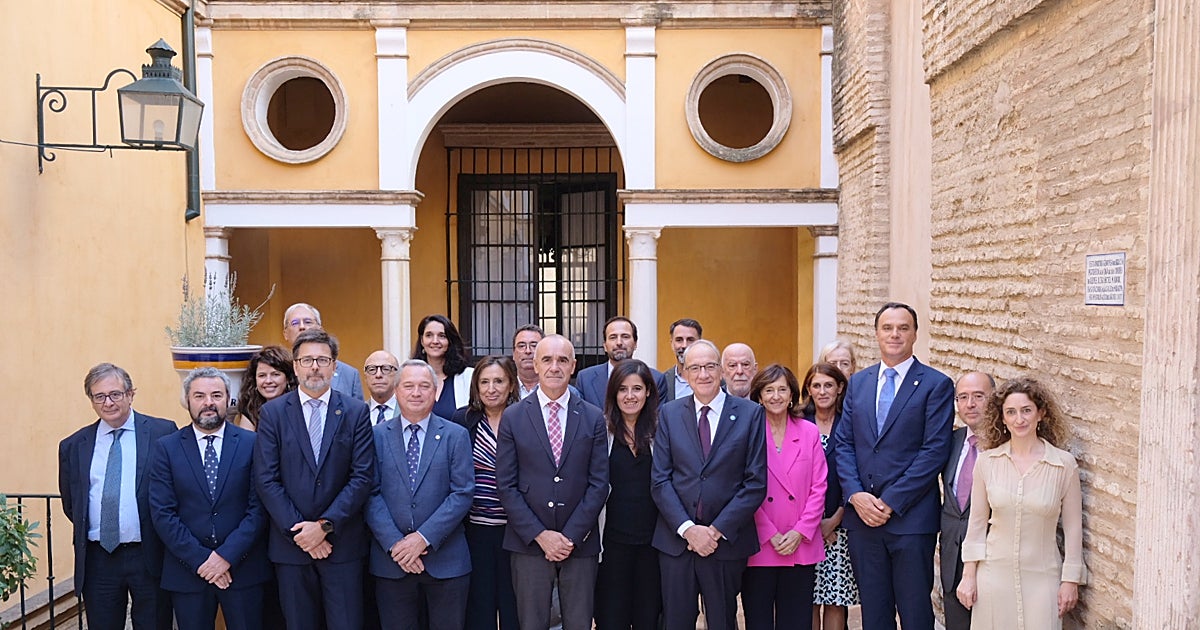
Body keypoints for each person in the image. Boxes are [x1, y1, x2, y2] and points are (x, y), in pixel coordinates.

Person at [833, 302, 954, 630]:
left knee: (915, 612)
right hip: (863, 521)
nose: (895, 334)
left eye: (903, 328)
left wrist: (890, 502)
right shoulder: (858, 383)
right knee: (874, 613)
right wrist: (856, 495)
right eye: (888, 328)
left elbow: (934, 451)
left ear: (915, 334)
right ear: (876, 334)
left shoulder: (935, 385)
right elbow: (844, 444)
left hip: (910, 520)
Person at [254, 328, 376, 630]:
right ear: (295, 366)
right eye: (307, 360)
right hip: (291, 547)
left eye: (323, 360)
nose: (315, 367)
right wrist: (302, 533)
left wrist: (324, 526)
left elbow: (362, 477)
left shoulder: (355, 412)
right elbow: (267, 480)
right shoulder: (273, 413)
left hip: (342, 545)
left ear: (335, 366)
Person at [651, 340, 767, 630]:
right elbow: (660, 479)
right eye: (695, 368)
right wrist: (689, 530)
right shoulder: (669, 413)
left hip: (725, 543)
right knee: (676, 622)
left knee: (722, 621)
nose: (703, 374)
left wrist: (714, 532)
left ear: (721, 371)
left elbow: (755, 482)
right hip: (677, 542)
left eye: (710, 366)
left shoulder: (750, 414)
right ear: (685, 373)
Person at [496, 335, 609, 630]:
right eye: (547, 359)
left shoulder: (593, 417)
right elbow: (506, 485)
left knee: (578, 623)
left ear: (573, 366)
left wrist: (570, 536)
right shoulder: (514, 416)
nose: (554, 367)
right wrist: (540, 535)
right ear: (535, 364)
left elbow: (599, 484)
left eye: (562, 360)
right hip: (529, 543)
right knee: (531, 624)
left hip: (579, 544)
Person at [955, 378, 1087, 629]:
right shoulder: (987, 462)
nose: (1019, 419)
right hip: (993, 578)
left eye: (1027, 410)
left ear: (1041, 413)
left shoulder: (1063, 465)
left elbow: (1072, 528)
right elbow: (977, 525)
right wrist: (968, 575)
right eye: (1011, 412)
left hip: (1043, 579)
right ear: (1002, 419)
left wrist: (1071, 580)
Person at [148, 367, 270, 630]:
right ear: (187, 401)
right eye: (199, 396)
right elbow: (163, 513)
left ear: (229, 399)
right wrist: (202, 561)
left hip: (243, 569)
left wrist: (225, 557)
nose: (208, 403)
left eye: (216, 395)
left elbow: (258, 508)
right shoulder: (166, 448)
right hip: (188, 572)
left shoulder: (252, 443)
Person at [58, 363, 177, 630]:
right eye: (99, 396)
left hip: (149, 554)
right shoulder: (74, 445)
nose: (108, 402)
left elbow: (176, 491)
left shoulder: (163, 433)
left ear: (131, 394)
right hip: (99, 559)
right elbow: (72, 503)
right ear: (91, 400)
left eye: (115, 394)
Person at [366, 360, 474, 630]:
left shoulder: (456, 435)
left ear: (435, 392)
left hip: (446, 561)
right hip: (392, 562)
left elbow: (462, 493)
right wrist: (396, 545)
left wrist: (422, 539)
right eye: (409, 386)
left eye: (424, 386)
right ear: (396, 390)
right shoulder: (375, 436)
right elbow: (369, 492)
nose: (416, 392)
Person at [742, 364, 827, 630]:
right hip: (760, 543)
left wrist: (800, 531)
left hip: (799, 543)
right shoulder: (747, 432)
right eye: (769, 390)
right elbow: (743, 487)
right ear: (759, 395)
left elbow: (819, 486)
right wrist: (769, 532)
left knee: (797, 621)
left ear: (792, 395)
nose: (776, 396)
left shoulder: (809, 431)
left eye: (782, 389)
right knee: (759, 621)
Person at [452, 356, 522, 630]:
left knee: (513, 605)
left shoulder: (524, 417)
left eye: (498, 381)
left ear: (510, 384)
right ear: (476, 387)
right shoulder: (463, 419)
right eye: (484, 382)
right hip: (475, 530)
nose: (491, 388)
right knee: (479, 606)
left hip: (515, 531)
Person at [595, 359, 662, 630]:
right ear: (613, 394)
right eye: (623, 389)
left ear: (648, 392)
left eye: (637, 388)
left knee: (649, 618)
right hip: (611, 543)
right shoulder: (601, 430)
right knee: (612, 619)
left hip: (653, 545)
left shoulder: (661, 430)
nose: (630, 396)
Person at [800, 363, 857, 630]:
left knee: (836, 599)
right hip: (802, 528)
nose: (822, 391)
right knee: (807, 598)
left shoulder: (852, 423)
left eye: (828, 385)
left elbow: (857, 472)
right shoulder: (798, 423)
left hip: (840, 525)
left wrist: (834, 520)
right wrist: (812, 526)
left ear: (840, 388)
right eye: (816, 385)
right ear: (808, 390)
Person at [940, 372, 995, 630]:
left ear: (994, 399)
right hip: (952, 561)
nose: (969, 404)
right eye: (963, 397)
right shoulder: (951, 441)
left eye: (978, 396)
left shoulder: (1006, 447)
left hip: (992, 562)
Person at [576, 316, 667, 408]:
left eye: (625, 336)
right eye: (613, 337)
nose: (619, 342)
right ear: (605, 346)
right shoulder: (585, 379)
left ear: (635, 344)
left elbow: (656, 418)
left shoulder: (656, 379)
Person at [282, 302, 363, 400]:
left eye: (308, 322)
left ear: (320, 329)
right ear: (285, 333)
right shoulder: (277, 371)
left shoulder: (349, 374)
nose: (302, 327)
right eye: (295, 323)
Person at [412, 314, 475, 419]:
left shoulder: (468, 377)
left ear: (450, 341)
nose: (435, 341)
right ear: (422, 341)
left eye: (442, 336)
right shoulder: (410, 377)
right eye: (429, 335)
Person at [238, 345, 297, 429]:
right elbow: (246, 439)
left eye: (275, 374)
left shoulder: (298, 407)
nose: (268, 381)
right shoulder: (250, 406)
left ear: (288, 378)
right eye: (262, 375)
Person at [660, 318, 702, 401]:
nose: (684, 345)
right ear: (672, 344)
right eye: (679, 340)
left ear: (700, 343)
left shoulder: (715, 380)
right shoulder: (662, 382)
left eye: (690, 340)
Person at [364, 350, 403, 425]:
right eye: (372, 369)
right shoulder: (356, 413)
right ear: (365, 377)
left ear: (397, 375)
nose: (378, 375)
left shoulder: (408, 410)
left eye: (386, 369)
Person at [512, 324, 544, 399]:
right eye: (521, 346)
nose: (528, 351)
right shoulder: (503, 389)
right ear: (513, 353)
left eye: (534, 345)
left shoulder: (562, 390)